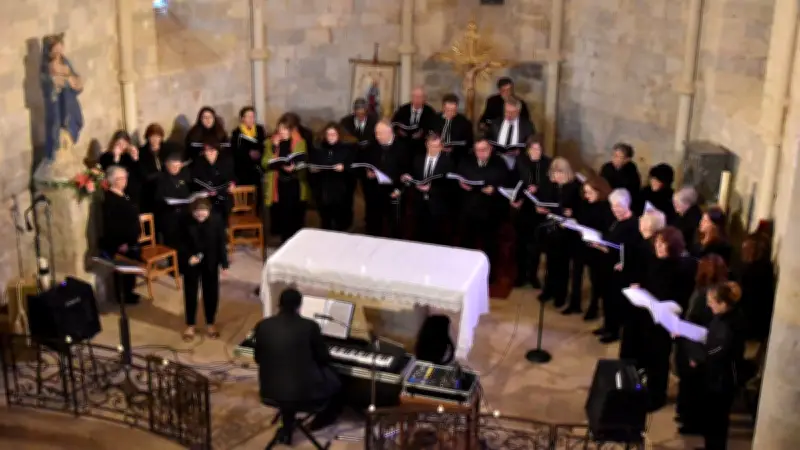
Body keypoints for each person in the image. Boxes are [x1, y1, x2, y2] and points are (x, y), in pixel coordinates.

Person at [254, 288, 342, 444]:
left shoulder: (262, 325)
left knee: (289, 376)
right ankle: (321, 421)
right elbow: (324, 359)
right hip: (304, 394)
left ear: (278, 304)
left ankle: (287, 426)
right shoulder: (310, 326)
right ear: (299, 306)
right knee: (336, 379)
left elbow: (258, 358)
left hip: (268, 391)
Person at [632, 226, 696, 411]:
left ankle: (657, 396)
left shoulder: (682, 268)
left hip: (665, 320)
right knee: (647, 355)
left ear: (673, 246)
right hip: (649, 315)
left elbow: (681, 297)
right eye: (657, 244)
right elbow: (649, 280)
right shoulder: (654, 260)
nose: (658, 248)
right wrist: (640, 287)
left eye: (663, 245)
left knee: (659, 359)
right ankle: (647, 387)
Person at [675, 282, 745, 450]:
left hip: (722, 381)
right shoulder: (722, 317)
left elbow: (715, 352)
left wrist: (693, 353)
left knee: (717, 422)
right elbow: (708, 337)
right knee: (711, 420)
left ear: (723, 303)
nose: (708, 304)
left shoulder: (729, 325)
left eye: (711, 301)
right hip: (714, 377)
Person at [675, 254, 728, 435]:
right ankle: (686, 416)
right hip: (702, 346)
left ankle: (689, 421)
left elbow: (693, 322)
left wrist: (693, 355)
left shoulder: (702, 294)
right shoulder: (722, 292)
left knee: (692, 387)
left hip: (696, 347)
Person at [456, 139, 510, 282]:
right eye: (477, 150)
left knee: (489, 245)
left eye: (483, 150)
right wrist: (462, 184)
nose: (480, 153)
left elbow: (505, 182)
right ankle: (467, 272)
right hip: (469, 209)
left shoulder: (499, 163)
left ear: (490, 149)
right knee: (467, 242)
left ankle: (488, 274)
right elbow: (461, 175)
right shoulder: (467, 161)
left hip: (490, 211)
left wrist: (494, 189)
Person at [593, 188, 642, 343]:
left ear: (627, 204)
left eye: (618, 206)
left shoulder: (633, 224)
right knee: (607, 299)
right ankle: (607, 326)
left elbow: (631, 250)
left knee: (616, 302)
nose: (615, 210)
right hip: (608, 267)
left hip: (621, 271)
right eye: (613, 206)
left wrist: (604, 248)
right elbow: (612, 242)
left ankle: (613, 331)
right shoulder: (617, 220)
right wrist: (601, 244)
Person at [565, 175, 614, 318]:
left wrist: (596, 236)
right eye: (585, 192)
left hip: (596, 248)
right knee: (576, 274)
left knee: (595, 279)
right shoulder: (585, 202)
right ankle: (574, 303)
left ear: (599, 191)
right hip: (581, 243)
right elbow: (580, 219)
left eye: (590, 192)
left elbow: (607, 230)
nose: (587, 196)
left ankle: (593, 307)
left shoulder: (606, 207)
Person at [536, 157, 582, 308]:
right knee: (550, 262)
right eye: (554, 173)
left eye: (560, 173)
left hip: (567, 233)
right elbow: (544, 201)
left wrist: (572, 212)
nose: (557, 176)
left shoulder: (575, 187)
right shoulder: (551, 186)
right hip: (552, 229)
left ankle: (560, 295)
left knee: (562, 265)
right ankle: (548, 290)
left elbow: (581, 208)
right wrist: (540, 208)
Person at [182, 199, 228, 341]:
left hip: (210, 262)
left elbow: (221, 242)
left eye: (204, 212)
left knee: (211, 293)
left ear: (209, 211)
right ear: (193, 211)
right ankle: (190, 325)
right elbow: (180, 242)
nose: (201, 214)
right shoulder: (185, 221)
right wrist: (188, 257)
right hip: (192, 262)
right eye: (198, 212)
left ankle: (210, 323)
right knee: (190, 293)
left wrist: (224, 264)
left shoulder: (217, 220)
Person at [511, 135, 552, 288]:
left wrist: (538, 188)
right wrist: (516, 197)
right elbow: (515, 181)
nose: (536, 152)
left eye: (539, 149)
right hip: (524, 207)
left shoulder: (547, 163)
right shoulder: (521, 161)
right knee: (521, 243)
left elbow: (550, 184)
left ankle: (533, 275)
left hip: (538, 208)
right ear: (527, 150)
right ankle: (520, 275)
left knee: (535, 244)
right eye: (533, 149)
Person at [401, 134, 455, 245]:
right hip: (419, 203)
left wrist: (431, 189)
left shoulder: (449, 163)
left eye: (437, 146)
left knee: (436, 236)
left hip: (437, 205)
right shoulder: (418, 158)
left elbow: (451, 187)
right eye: (431, 146)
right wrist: (407, 177)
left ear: (441, 147)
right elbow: (412, 174)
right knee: (419, 233)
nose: (433, 149)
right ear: (426, 145)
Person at [358, 121, 408, 237]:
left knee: (394, 226)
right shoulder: (371, 146)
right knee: (374, 224)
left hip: (394, 191)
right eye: (376, 133)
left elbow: (406, 171)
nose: (377, 136)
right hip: (374, 191)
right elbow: (363, 164)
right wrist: (367, 173)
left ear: (390, 132)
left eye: (380, 133)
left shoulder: (403, 148)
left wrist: (399, 189)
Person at [263, 119, 309, 243]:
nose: (282, 132)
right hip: (279, 183)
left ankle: (297, 242)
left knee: (296, 213)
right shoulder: (270, 142)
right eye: (280, 129)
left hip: (295, 181)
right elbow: (264, 162)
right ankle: (284, 242)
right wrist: (274, 147)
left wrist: (294, 167)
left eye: (285, 129)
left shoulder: (300, 142)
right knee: (283, 214)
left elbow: (303, 160)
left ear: (291, 130)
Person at [101, 165, 141, 304]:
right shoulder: (110, 199)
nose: (125, 180)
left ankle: (130, 291)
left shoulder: (124, 193)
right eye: (121, 178)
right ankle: (123, 296)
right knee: (123, 270)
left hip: (131, 239)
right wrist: (120, 242)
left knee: (131, 268)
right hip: (122, 241)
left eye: (125, 177)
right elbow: (112, 224)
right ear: (113, 180)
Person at [339, 98, 377, 229]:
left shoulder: (374, 121)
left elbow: (376, 143)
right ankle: (346, 222)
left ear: (367, 111)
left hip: (368, 163)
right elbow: (342, 141)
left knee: (370, 195)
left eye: (363, 113)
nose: (360, 116)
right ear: (354, 111)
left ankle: (370, 223)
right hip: (351, 163)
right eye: (358, 113)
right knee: (347, 194)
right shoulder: (345, 122)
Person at [308, 123, 353, 231]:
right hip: (324, 188)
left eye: (334, 134)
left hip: (340, 188)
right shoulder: (319, 148)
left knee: (340, 218)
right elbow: (312, 163)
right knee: (325, 218)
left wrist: (344, 167)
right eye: (328, 134)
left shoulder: (346, 148)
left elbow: (353, 166)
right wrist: (313, 169)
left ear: (339, 135)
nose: (331, 137)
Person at [735, 233, 775, 341]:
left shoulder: (755, 271)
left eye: (746, 248)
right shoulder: (761, 267)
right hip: (755, 321)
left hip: (753, 323)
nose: (742, 251)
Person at [155, 152, 191, 267]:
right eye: (173, 166)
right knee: (172, 235)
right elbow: (158, 199)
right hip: (168, 214)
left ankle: (185, 261)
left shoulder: (182, 178)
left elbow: (186, 194)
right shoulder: (161, 180)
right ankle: (173, 264)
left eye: (178, 166)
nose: (176, 168)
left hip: (183, 213)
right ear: (167, 165)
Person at [191, 139, 236, 225]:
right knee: (204, 209)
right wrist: (205, 190)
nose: (210, 153)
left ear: (217, 151)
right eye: (207, 150)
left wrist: (232, 184)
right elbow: (195, 180)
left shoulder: (225, 162)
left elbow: (232, 177)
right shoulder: (199, 163)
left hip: (223, 196)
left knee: (223, 207)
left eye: (213, 150)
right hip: (206, 197)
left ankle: (223, 230)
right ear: (204, 152)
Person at [391, 87, 437, 163]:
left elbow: (433, 129)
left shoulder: (430, 112)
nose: (417, 99)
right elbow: (393, 124)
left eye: (420, 97)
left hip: (421, 147)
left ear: (424, 98)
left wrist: (422, 134)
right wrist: (399, 131)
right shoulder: (403, 109)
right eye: (414, 97)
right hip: (404, 144)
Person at [487, 98, 536, 167]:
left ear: (518, 111)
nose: (509, 115)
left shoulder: (527, 125)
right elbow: (488, 140)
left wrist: (521, 152)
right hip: (496, 161)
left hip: (519, 162)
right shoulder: (495, 123)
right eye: (506, 111)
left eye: (512, 112)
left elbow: (532, 145)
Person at [230, 106, 267, 198]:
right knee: (246, 197)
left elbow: (264, 144)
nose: (252, 119)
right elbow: (235, 150)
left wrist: (259, 152)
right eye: (249, 116)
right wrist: (248, 154)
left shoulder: (259, 129)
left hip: (257, 167)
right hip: (243, 169)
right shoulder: (237, 132)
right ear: (242, 118)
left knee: (257, 194)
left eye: (253, 116)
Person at [99, 130, 143, 206]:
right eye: (119, 144)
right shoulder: (106, 157)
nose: (122, 147)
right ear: (114, 143)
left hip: (132, 193)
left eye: (124, 144)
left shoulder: (129, 156)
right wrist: (116, 158)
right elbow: (110, 174)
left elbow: (141, 175)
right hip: (115, 194)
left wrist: (136, 159)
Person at [434, 94, 474, 166]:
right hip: (436, 154)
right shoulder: (435, 119)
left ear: (456, 108)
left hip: (456, 156)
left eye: (453, 110)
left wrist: (453, 148)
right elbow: (429, 135)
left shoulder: (464, 122)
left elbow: (469, 142)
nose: (450, 113)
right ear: (443, 107)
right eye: (447, 110)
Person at [599, 143, 641, 207]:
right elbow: (601, 182)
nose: (614, 158)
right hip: (606, 198)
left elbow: (632, 191)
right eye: (613, 155)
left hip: (622, 202)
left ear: (627, 159)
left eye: (617, 156)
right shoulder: (607, 167)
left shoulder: (631, 170)